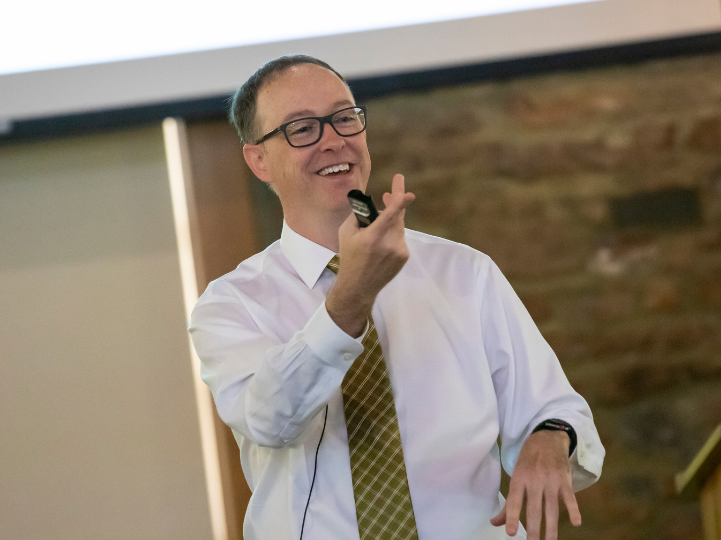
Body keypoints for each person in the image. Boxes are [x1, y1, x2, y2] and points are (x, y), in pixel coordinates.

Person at [189, 55, 604, 540]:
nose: (334, 139)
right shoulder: (231, 304)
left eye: (344, 118)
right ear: (258, 159)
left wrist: (550, 439)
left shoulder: (463, 273)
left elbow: (554, 407)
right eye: (302, 128)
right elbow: (270, 418)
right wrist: (350, 299)